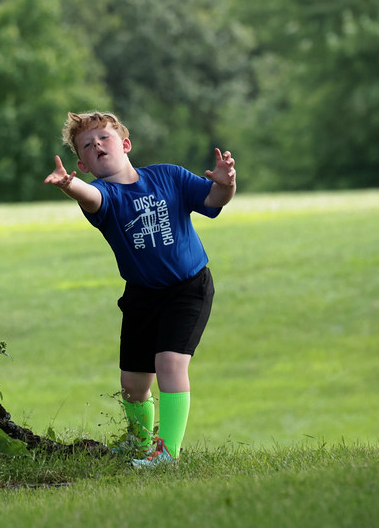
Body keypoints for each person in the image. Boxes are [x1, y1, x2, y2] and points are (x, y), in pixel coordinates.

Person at [44, 111, 236, 467]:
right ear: (83, 165)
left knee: (170, 364)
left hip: (188, 288)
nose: (97, 145)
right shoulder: (104, 195)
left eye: (103, 138)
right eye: (87, 145)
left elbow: (213, 201)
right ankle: (139, 442)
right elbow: (90, 198)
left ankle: (168, 452)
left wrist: (226, 184)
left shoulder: (168, 176)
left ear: (125, 144)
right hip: (142, 295)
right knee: (133, 383)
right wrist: (68, 186)